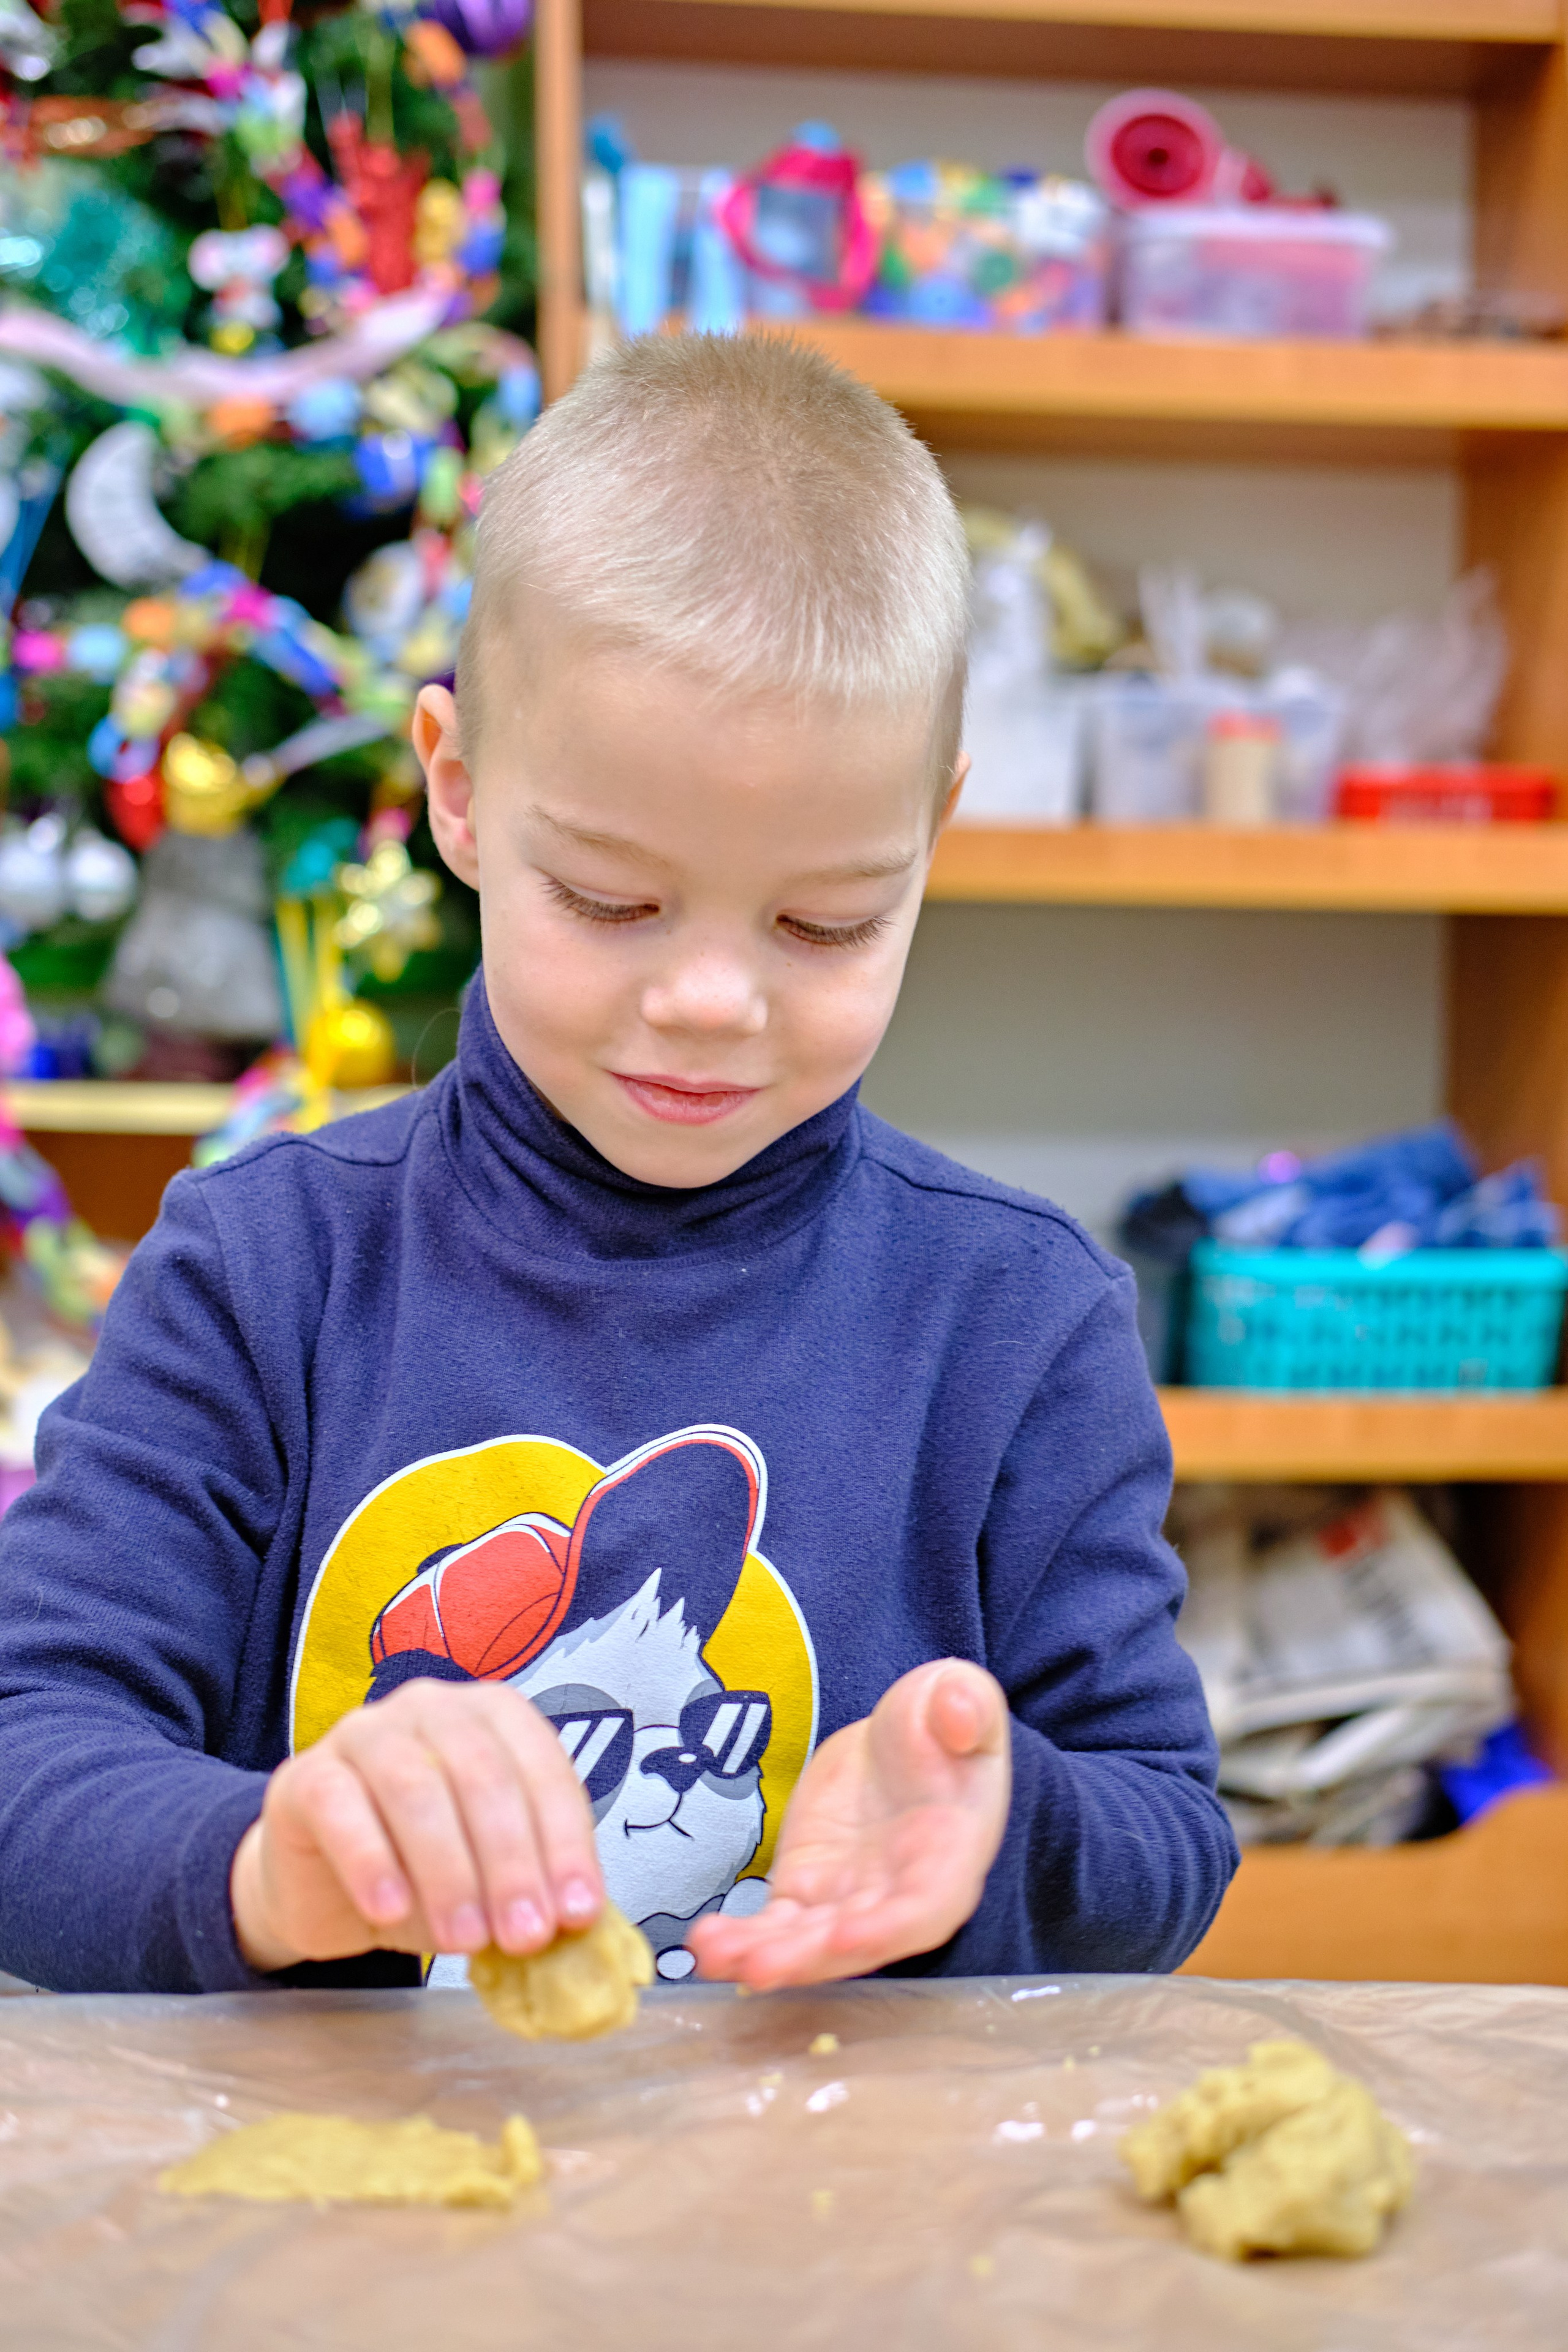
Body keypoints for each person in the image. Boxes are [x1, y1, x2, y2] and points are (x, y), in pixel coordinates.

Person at [0, 336, 1235, 1996]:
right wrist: (267, 1863)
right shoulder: (264, 1272)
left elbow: (1169, 1830)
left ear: (933, 834)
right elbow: (30, 1755)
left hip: (818, 2218)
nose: (710, 1000)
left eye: (825, 920)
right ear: (457, 789)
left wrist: (1003, 1832)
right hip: (345, 2221)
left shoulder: (1016, 1321)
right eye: (609, 898)